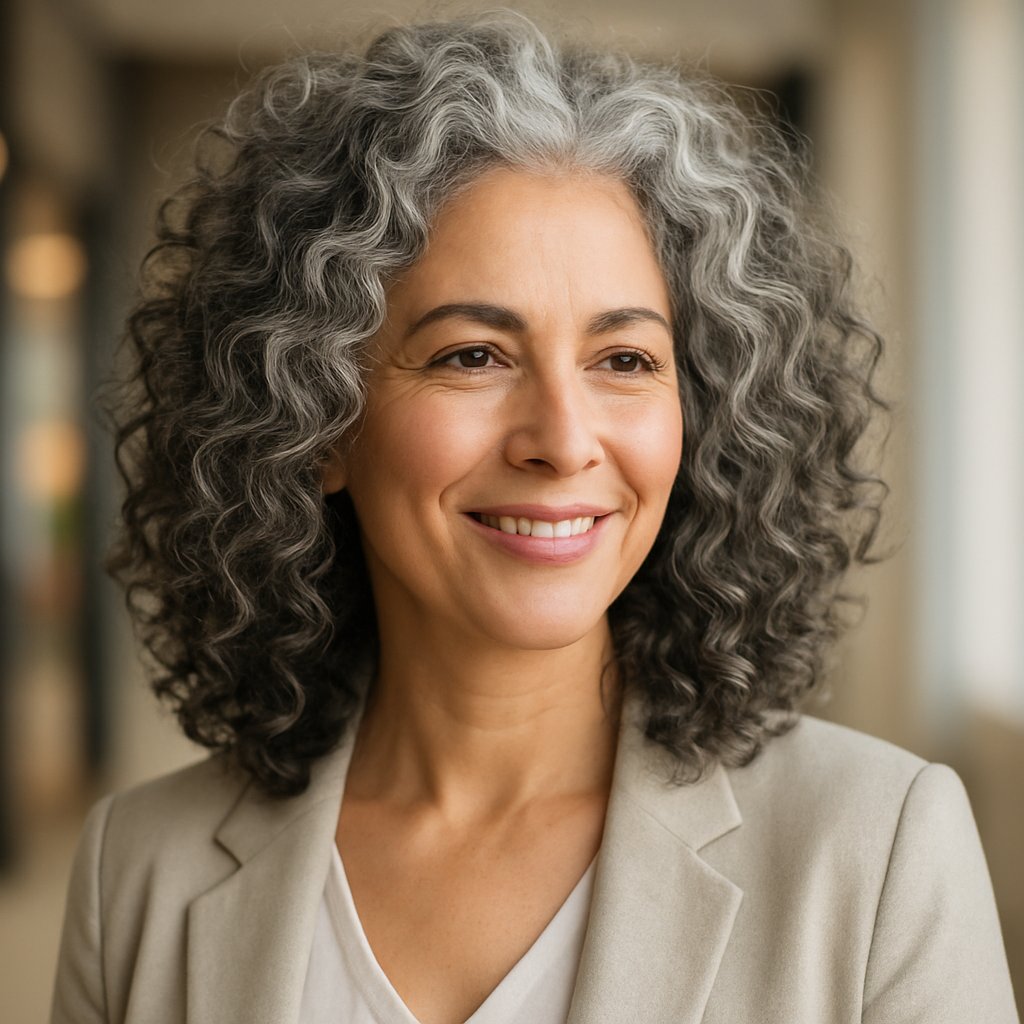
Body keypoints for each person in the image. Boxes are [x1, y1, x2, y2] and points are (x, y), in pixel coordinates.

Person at [51, 12, 1017, 1024]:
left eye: (624, 360)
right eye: (473, 355)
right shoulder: (138, 871)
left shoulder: (878, 847)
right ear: (314, 417)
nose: (562, 439)